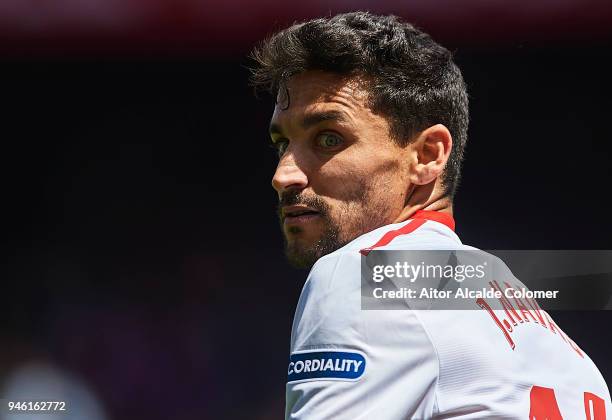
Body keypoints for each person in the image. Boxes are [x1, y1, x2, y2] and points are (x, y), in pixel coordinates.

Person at [249, 12, 611, 419]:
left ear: (427, 155)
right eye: (282, 143)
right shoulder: (547, 334)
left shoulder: (363, 272)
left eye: (329, 138)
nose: (283, 175)